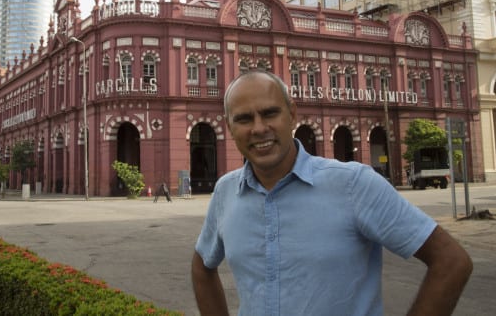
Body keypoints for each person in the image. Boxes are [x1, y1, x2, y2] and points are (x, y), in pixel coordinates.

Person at [191, 71, 472, 316]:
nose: (259, 128)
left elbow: (451, 261)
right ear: (229, 127)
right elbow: (202, 265)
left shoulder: (354, 184)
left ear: (292, 114)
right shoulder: (226, 192)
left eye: (269, 113)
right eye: (243, 119)